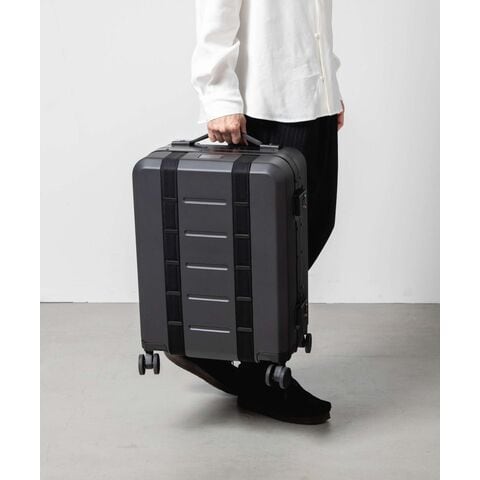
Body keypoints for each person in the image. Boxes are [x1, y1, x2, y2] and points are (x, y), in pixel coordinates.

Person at [166, 0, 344, 425]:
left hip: (311, 95)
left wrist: (329, 82)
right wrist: (218, 96)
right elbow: (216, 11)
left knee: (314, 226)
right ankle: (260, 373)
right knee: (272, 251)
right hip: (266, 100)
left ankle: (208, 342)